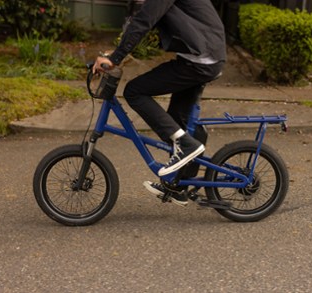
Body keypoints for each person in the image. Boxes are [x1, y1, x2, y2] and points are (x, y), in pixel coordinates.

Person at [93, 0, 226, 206]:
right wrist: (116, 54)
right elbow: (140, 22)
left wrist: (116, 58)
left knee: (135, 91)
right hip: (201, 57)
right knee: (176, 120)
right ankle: (180, 186)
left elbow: (144, 21)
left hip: (201, 61)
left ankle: (186, 145)